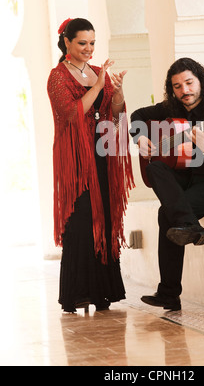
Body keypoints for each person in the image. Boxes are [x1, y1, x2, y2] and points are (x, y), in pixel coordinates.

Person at [130, 58, 204, 311]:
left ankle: (169, 293)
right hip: (193, 182)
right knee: (155, 166)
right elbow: (138, 116)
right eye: (177, 86)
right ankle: (190, 225)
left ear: (201, 80)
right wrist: (141, 138)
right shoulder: (174, 107)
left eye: (189, 83)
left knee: (165, 212)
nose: (185, 91)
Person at [47, 18, 134, 313]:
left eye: (93, 43)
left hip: (102, 152)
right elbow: (71, 115)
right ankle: (78, 293)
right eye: (82, 43)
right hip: (76, 158)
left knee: (106, 218)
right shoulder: (57, 77)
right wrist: (98, 86)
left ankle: (104, 292)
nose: (89, 49)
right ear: (67, 42)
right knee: (82, 219)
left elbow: (114, 112)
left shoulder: (99, 73)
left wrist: (118, 94)